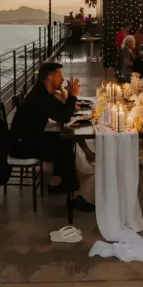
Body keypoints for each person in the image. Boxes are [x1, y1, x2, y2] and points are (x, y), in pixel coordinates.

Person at [10, 62, 94, 212]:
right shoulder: (40, 96)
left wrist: (69, 96)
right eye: (59, 76)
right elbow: (63, 117)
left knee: (64, 142)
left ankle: (64, 183)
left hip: (29, 139)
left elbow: (61, 111)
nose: (62, 79)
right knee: (64, 148)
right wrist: (73, 96)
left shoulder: (42, 92)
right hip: (21, 146)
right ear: (49, 78)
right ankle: (73, 194)